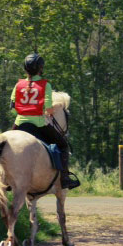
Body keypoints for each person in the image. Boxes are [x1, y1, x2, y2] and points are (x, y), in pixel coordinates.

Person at [11, 53, 80, 189]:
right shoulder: (45, 85)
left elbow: (13, 107)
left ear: (25, 68)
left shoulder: (18, 85)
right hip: (38, 124)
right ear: (41, 69)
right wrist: (44, 111)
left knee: (1, 146)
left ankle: (3, 178)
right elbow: (48, 109)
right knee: (63, 145)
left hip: (19, 123)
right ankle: (65, 179)